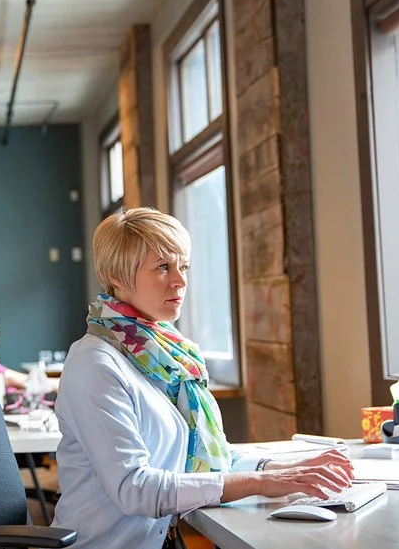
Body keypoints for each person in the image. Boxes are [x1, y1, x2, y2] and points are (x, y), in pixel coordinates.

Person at [51, 208, 354, 549]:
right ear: (116, 276)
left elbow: (211, 456)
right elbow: (135, 488)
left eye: (183, 267)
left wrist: (289, 469)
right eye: (163, 267)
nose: (180, 281)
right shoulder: (96, 365)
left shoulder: (166, 357)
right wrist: (266, 481)